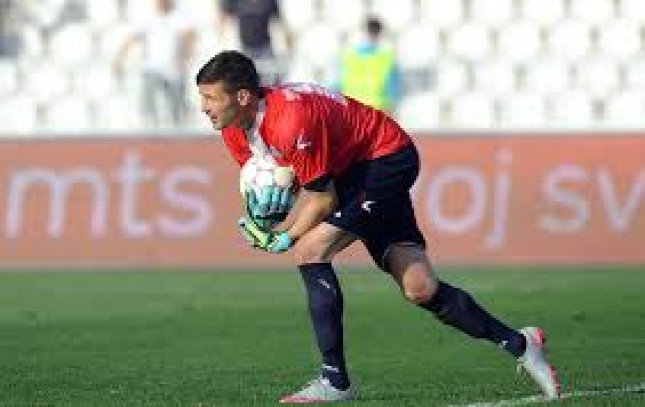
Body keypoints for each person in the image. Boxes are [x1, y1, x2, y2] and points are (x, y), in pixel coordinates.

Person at [196, 51, 560, 404]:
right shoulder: (233, 131)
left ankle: (334, 381)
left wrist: (285, 237)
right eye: (202, 97)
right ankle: (521, 344)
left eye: (210, 98)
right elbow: (282, 181)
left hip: (385, 158)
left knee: (310, 250)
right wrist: (263, 217)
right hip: (351, 172)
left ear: (242, 97)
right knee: (420, 288)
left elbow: (322, 199)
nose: (204, 107)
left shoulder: (290, 120)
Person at [113, 0, 195, 128]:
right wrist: (119, 57)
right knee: (149, 107)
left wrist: (183, 59)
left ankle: (178, 130)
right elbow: (133, 37)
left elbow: (188, 37)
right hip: (152, 68)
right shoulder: (149, 17)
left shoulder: (179, 17)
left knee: (177, 107)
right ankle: (151, 131)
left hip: (173, 70)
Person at [217, 0, 292, 85]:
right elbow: (224, 16)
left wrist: (288, 43)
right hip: (245, 48)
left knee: (272, 78)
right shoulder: (236, 2)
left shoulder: (269, 2)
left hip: (265, 49)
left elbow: (280, 22)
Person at [336, 16, 401, 114]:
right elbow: (394, 91)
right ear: (380, 34)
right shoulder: (387, 58)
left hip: (352, 110)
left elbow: (336, 85)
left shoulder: (347, 57)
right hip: (377, 111)